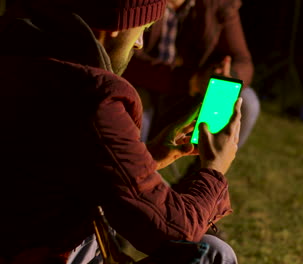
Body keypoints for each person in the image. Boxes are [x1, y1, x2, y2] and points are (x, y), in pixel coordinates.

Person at [0, 0, 241, 263]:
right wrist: (214, 170)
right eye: (144, 29)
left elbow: (68, 166)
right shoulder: (91, 95)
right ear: (117, 25)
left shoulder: (21, 50)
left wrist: (148, 156)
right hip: (40, 252)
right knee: (213, 254)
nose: (139, 43)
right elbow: (172, 230)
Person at [122, 0, 260, 148]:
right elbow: (127, 56)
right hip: (143, 84)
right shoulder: (139, 3)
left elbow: (243, 60)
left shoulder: (218, 3)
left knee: (247, 102)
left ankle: (209, 168)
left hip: (189, 97)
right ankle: (133, 167)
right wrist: (191, 80)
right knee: (136, 101)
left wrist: (226, 76)